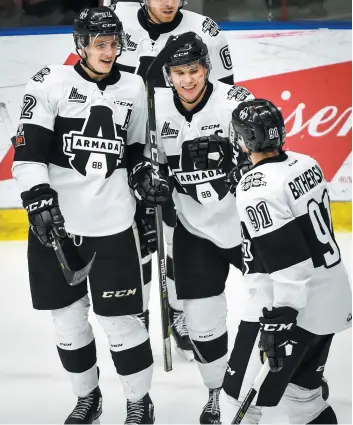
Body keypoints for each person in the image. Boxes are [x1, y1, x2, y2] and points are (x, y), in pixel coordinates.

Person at [11, 7, 168, 425]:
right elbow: (27, 154)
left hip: (113, 224)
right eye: (100, 44)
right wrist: (39, 198)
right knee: (67, 322)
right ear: (80, 45)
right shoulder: (51, 83)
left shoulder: (133, 87)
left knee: (121, 324)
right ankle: (88, 399)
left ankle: (139, 404)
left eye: (115, 43)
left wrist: (141, 172)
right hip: (58, 228)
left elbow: (136, 149)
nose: (109, 51)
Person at [107, 0, 235, 359]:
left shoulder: (205, 30)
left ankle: (178, 311)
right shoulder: (114, 22)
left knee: (176, 235)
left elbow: (219, 103)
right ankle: (139, 317)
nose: (169, 1)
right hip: (124, 146)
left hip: (171, 142)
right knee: (136, 239)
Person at [220, 99, 352, 424]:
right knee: (304, 398)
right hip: (330, 301)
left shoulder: (256, 188)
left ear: (243, 140)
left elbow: (289, 260)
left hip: (287, 311)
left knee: (236, 402)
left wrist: (280, 321)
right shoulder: (306, 162)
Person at [152, 32, 253, 423]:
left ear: (207, 69)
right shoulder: (156, 108)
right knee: (200, 321)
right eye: (179, 72)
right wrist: (151, 179)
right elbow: (147, 161)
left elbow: (265, 156)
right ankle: (218, 392)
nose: (188, 80)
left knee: (286, 302)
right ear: (168, 74)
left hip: (247, 227)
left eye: (194, 70)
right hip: (195, 231)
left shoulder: (236, 102)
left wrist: (239, 166)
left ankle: (301, 379)